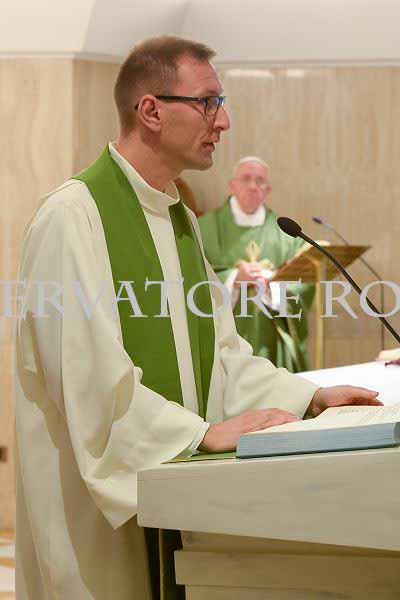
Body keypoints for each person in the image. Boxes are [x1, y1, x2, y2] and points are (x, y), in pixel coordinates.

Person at [15, 35, 381, 600]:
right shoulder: (72, 216)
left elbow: (221, 356)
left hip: (173, 489)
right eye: (208, 102)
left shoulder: (179, 219)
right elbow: (87, 379)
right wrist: (199, 433)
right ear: (151, 111)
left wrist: (308, 397)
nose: (223, 120)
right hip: (95, 516)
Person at [199, 157, 314, 372]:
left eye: (260, 181)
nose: (253, 186)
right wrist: (233, 278)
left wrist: (274, 283)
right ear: (232, 185)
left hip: (272, 335)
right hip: (224, 335)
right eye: (246, 179)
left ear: (267, 190)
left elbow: (306, 280)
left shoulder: (287, 233)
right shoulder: (204, 228)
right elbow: (191, 275)